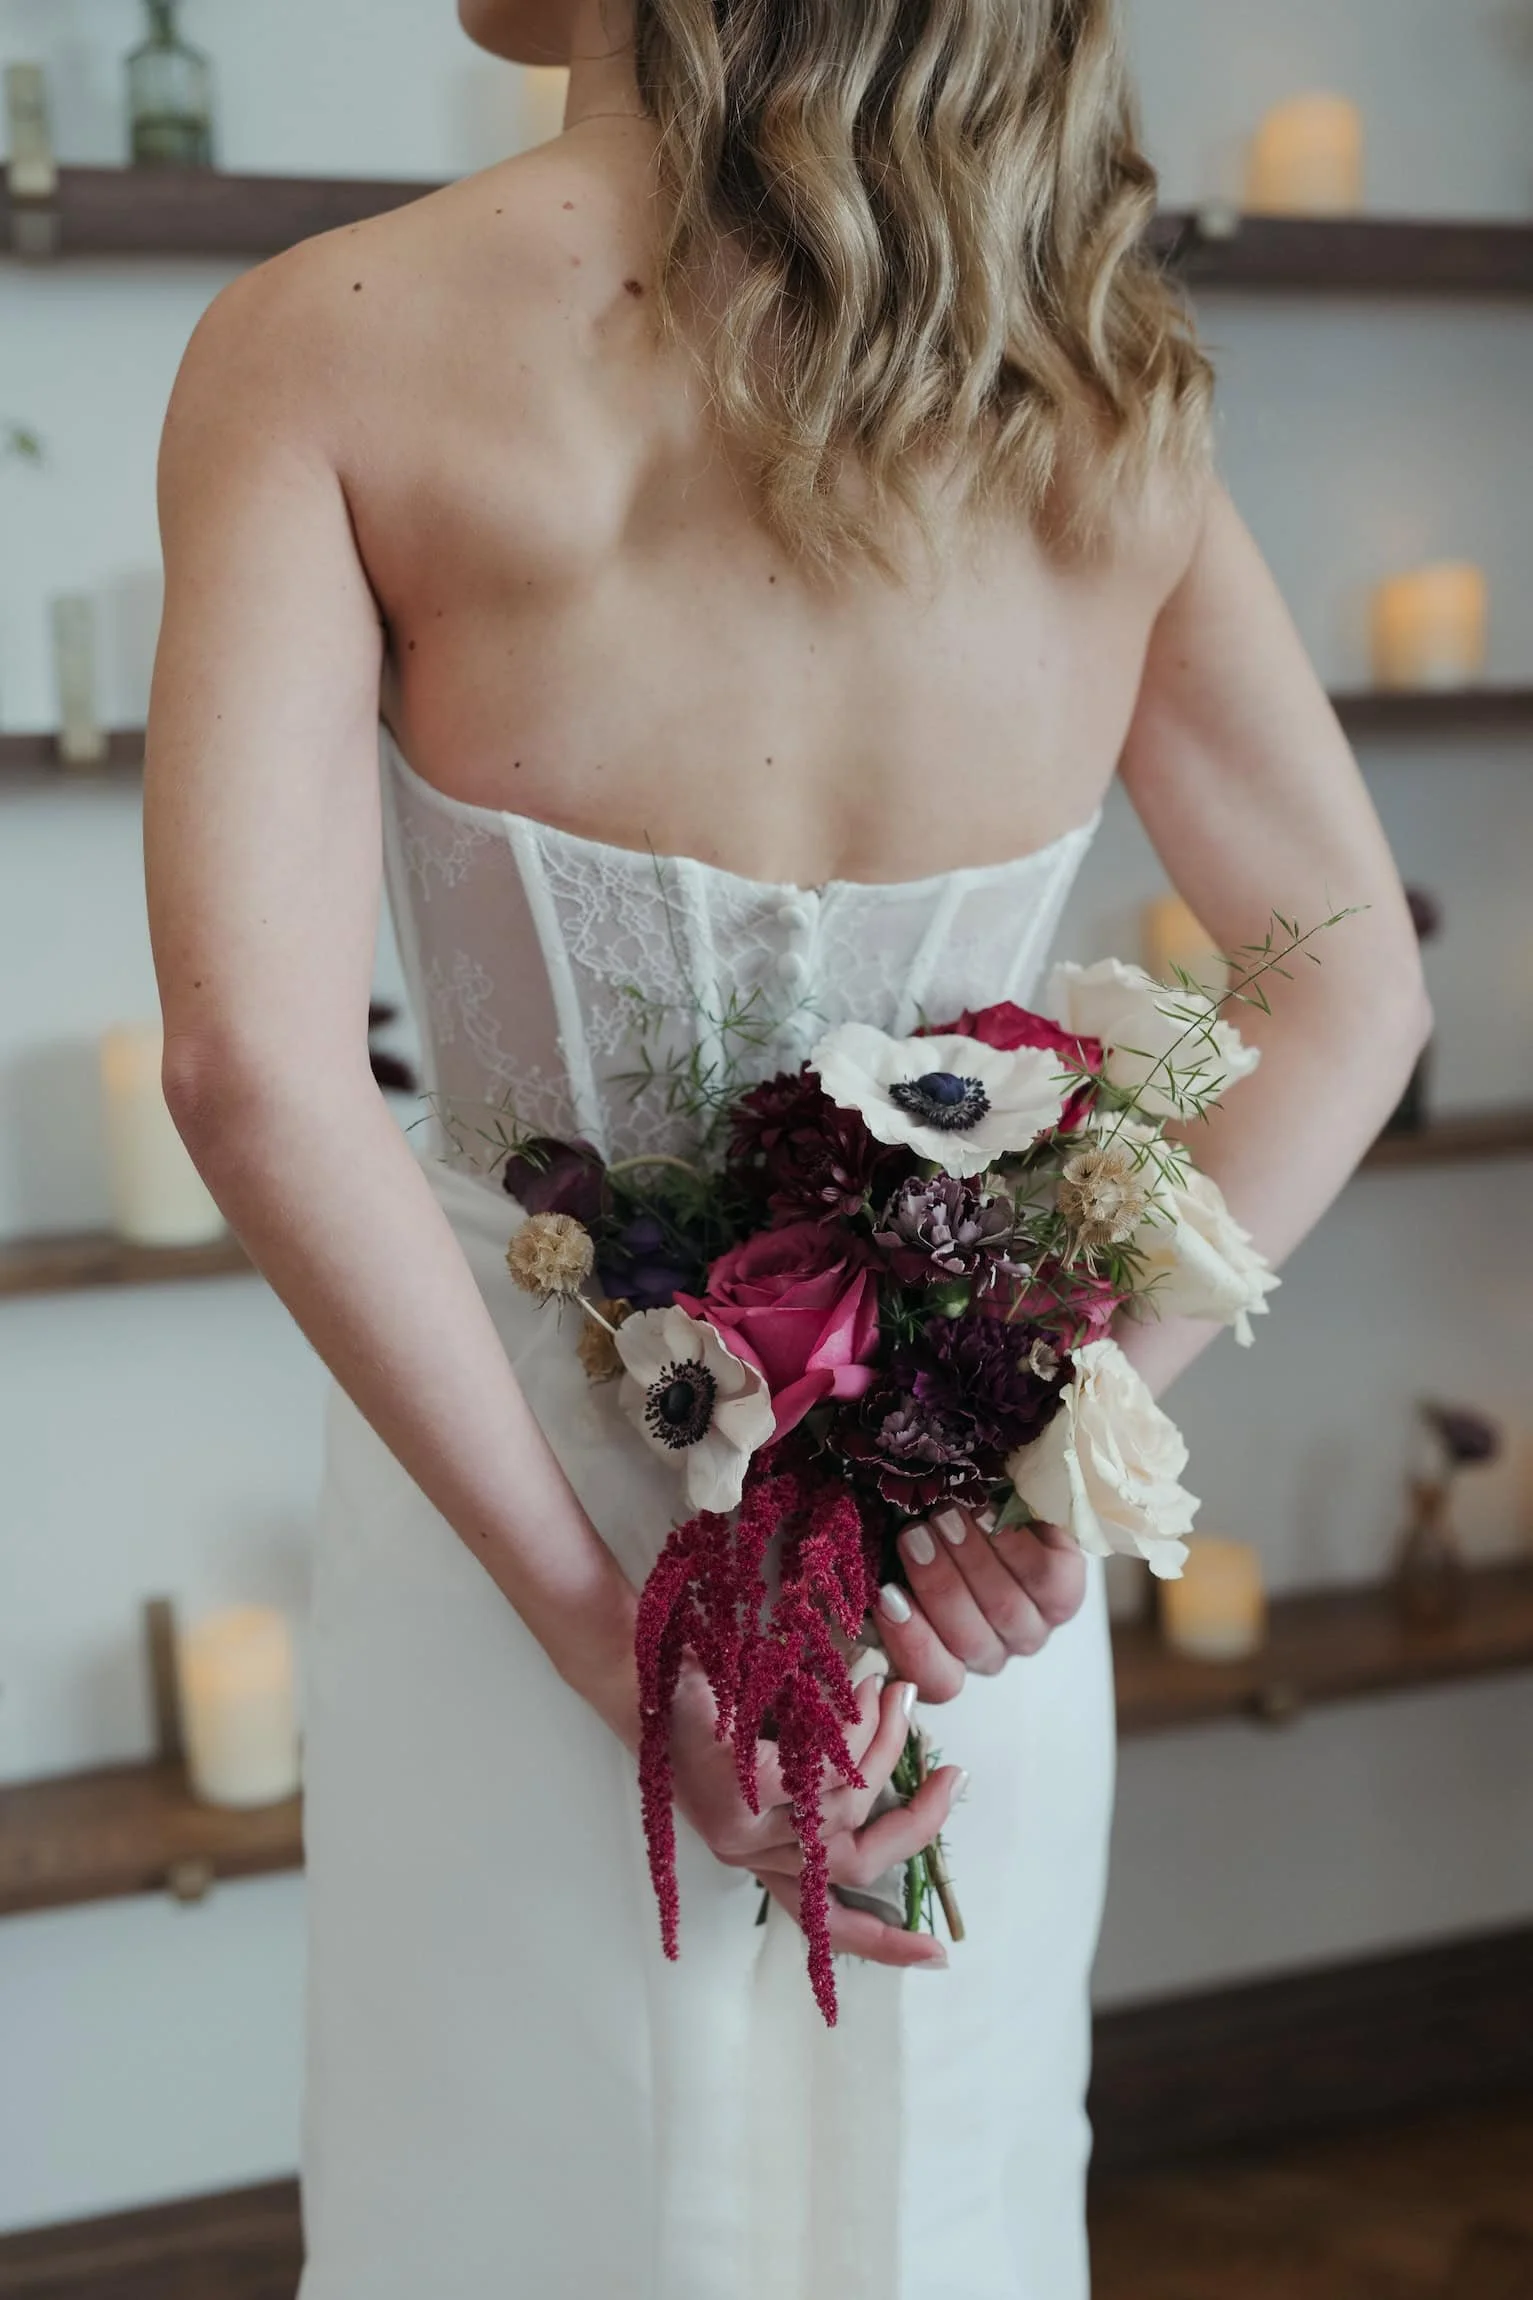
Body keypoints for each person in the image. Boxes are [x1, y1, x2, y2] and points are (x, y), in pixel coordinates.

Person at [143, 1, 1429, 2292]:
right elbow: (1353, 994)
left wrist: (612, 1643)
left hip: (508, 1533)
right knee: (932, 2215)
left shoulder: (322, 342)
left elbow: (250, 1066)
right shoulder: (1094, 386)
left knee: (518, 2212)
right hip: (943, 1579)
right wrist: (1040, 1439)